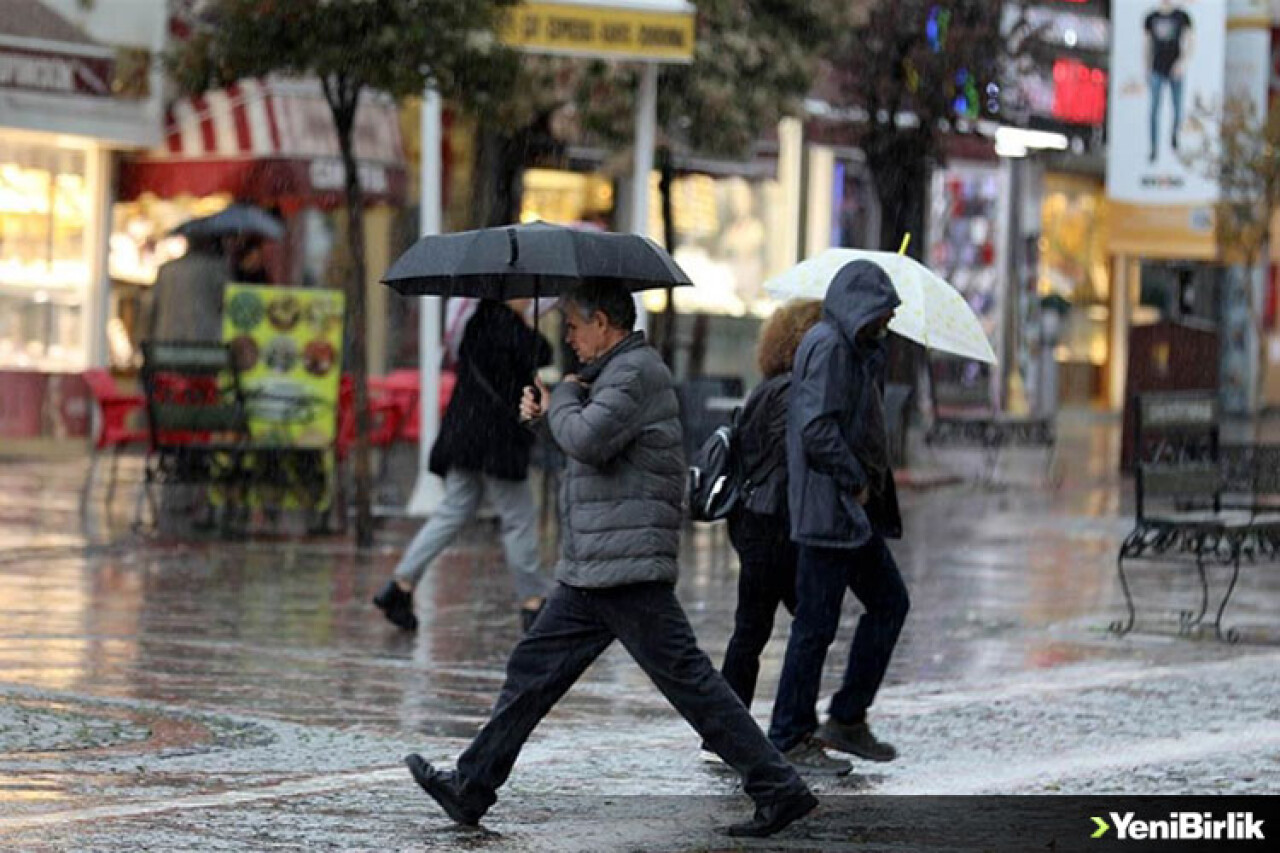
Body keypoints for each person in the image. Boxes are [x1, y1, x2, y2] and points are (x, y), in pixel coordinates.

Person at [403, 281, 817, 839]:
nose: (567, 338)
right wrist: (546, 414)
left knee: (690, 683)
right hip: (597, 562)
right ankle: (471, 786)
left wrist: (562, 400)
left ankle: (778, 787)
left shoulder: (636, 373)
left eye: (573, 326)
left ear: (603, 322)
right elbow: (584, 445)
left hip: (625, 562)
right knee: (534, 669)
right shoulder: (610, 375)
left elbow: (590, 439)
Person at [768, 259, 910, 765]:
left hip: (850, 515)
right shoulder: (829, 347)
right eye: (883, 313)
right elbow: (816, 428)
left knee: (887, 604)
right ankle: (789, 733)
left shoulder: (854, 349)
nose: (888, 322)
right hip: (833, 511)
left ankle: (846, 718)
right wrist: (855, 481)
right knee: (815, 626)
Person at [705, 299, 850, 775]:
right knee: (809, 625)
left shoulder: (769, 389)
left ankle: (727, 734)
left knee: (754, 630)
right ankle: (790, 731)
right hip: (779, 525)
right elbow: (801, 455)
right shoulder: (792, 393)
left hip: (756, 521)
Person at [373, 299, 553, 633]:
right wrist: (527, 326)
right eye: (523, 294)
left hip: (464, 434)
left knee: (452, 511)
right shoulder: (510, 329)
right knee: (518, 517)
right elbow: (543, 352)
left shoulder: (474, 323)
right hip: (495, 441)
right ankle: (533, 602)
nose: (529, 299)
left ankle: (400, 584)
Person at [148, 233, 232, 344]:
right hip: (206, 342)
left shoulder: (166, 270)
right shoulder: (218, 269)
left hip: (167, 341)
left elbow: (153, 308)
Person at [1145, 1, 1193, 163]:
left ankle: (1174, 138)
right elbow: (1146, 45)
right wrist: (1146, 68)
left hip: (1175, 69)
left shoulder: (1182, 16)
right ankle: (1153, 148)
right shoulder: (1151, 17)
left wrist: (1182, 63)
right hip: (1157, 68)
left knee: (1177, 108)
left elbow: (1190, 41)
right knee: (1154, 111)